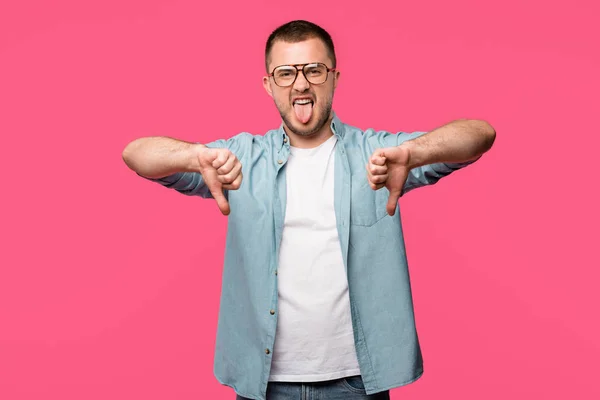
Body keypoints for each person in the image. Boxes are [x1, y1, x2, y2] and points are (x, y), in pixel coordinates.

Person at [122, 19, 495, 400]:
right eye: (285, 73)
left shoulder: (380, 156)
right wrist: (191, 155)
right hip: (264, 384)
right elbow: (135, 154)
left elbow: (479, 134)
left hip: (357, 384)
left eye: (314, 70)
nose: (300, 84)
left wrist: (416, 152)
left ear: (334, 77)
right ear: (269, 85)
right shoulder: (238, 160)